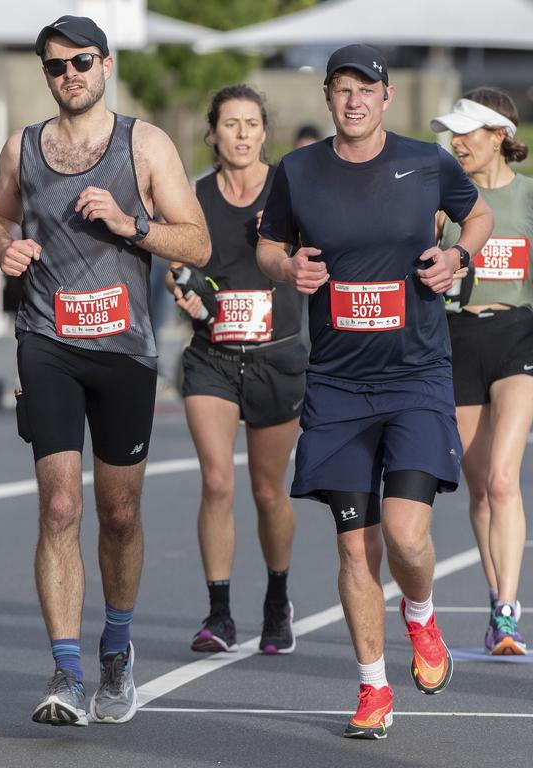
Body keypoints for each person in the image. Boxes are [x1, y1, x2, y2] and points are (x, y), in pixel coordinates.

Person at [256, 44, 493, 739]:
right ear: (327, 97)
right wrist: (286, 266)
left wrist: (457, 256)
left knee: (405, 534)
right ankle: (371, 689)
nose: (353, 100)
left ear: (386, 97)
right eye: (341, 89)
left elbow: (475, 215)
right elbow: (269, 245)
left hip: (416, 374)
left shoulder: (427, 161)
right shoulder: (298, 171)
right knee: (355, 550)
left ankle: (419, 617)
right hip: (335, 382)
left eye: (366, 89)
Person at [0, 16, 210, 726]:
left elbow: (198, 243)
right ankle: (65, 670)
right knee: (59, 506)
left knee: (118, 513)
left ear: (106, 65)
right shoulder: (22, 147)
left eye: (81, 62)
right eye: (55, 66)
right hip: (46, 338)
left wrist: (131, 224)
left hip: (124, 349)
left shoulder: (144, 144)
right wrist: (4, 250)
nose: (69, 76)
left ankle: (116, 649)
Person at [171, 85, 305, 657]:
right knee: (218, 481)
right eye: (232, 124)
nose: (243, 133)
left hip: (278, 357)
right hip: (213, 357)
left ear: (264, 133)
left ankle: (277, 598)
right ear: (213, 134)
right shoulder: (194, 197)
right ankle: (219, 613)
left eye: (253, 123)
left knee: (269, 491)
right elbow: (176, 261)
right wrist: (189, 291)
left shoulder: (291, 190)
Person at [431, 88, 533, 656]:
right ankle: (497, 603)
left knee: (502, 478)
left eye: (467, 132)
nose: (456, 142)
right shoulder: (445, 204)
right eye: (452, 133)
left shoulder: (527, 198)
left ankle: (510, 610)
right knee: (476, 487)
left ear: (499, 135)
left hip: (516, 334)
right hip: (458, 338)